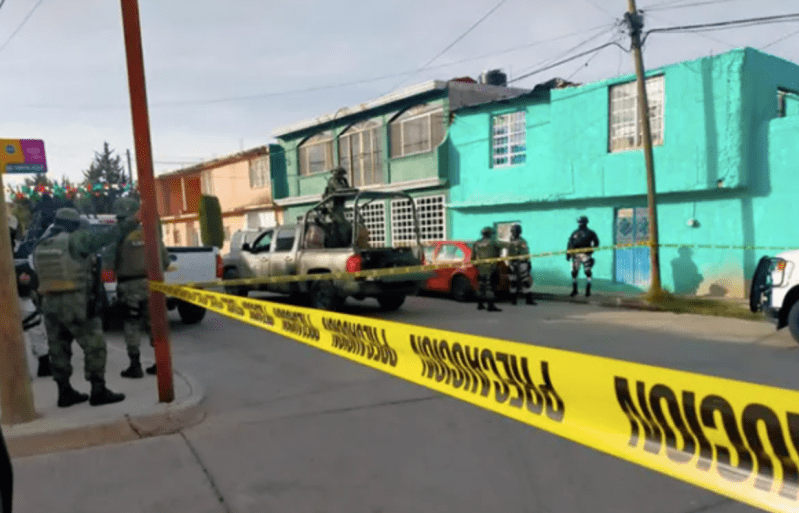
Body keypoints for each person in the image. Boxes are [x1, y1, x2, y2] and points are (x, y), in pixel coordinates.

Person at [32, 207, 128, 407]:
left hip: (49, 303)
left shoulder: (40, 244)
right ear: (73, 225)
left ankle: (64, 392)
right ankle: (98, 391)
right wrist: (131, 221)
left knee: (58, 348)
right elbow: (103, 238)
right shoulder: (74, 240)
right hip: (74, 301)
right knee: (95, 346)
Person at [112, 197, 169, 378]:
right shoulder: (151, 233)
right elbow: (165, 261)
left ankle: (135, 365)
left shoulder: (118, 235)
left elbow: (109, 261)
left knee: (132, 324)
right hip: (153, 284)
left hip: (129, 285)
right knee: (154, 323)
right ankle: (160, 363)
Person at [566, 215, 600, 297]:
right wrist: (568, 254)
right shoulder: (575, 233)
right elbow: (570, 244)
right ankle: (575, 290)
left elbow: (596, 243)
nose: (580, 224)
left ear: (586, 223)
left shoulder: (590, 233)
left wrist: (591, 248)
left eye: (582, 222)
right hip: (576, 255)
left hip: (586, 255)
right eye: (580, 222)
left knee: (587, 272)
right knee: (574, 272)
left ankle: (588, 290)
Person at [473, 226, 502, 312]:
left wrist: (477, 266)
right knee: (490, 287)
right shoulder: (493, 242)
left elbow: (473, 257)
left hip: (481, 267)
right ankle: (490, 306)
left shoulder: (477, 243)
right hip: (491, 267)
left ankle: (480, 305)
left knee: (481, 286)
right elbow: (499, 253)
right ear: (490, 233)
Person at [507, 224, 536, 305]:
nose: (514, 233)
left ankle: (528, 300)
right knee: (514, 282)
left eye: (515, 231)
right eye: (513, 231)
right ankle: (513, 300)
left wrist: (528, 262)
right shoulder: (511, 242)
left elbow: (526, 252)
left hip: (522, 263)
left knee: (525, 282)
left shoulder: (521, 241)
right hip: (514, 263)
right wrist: (509, 264)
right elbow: (508, 254)